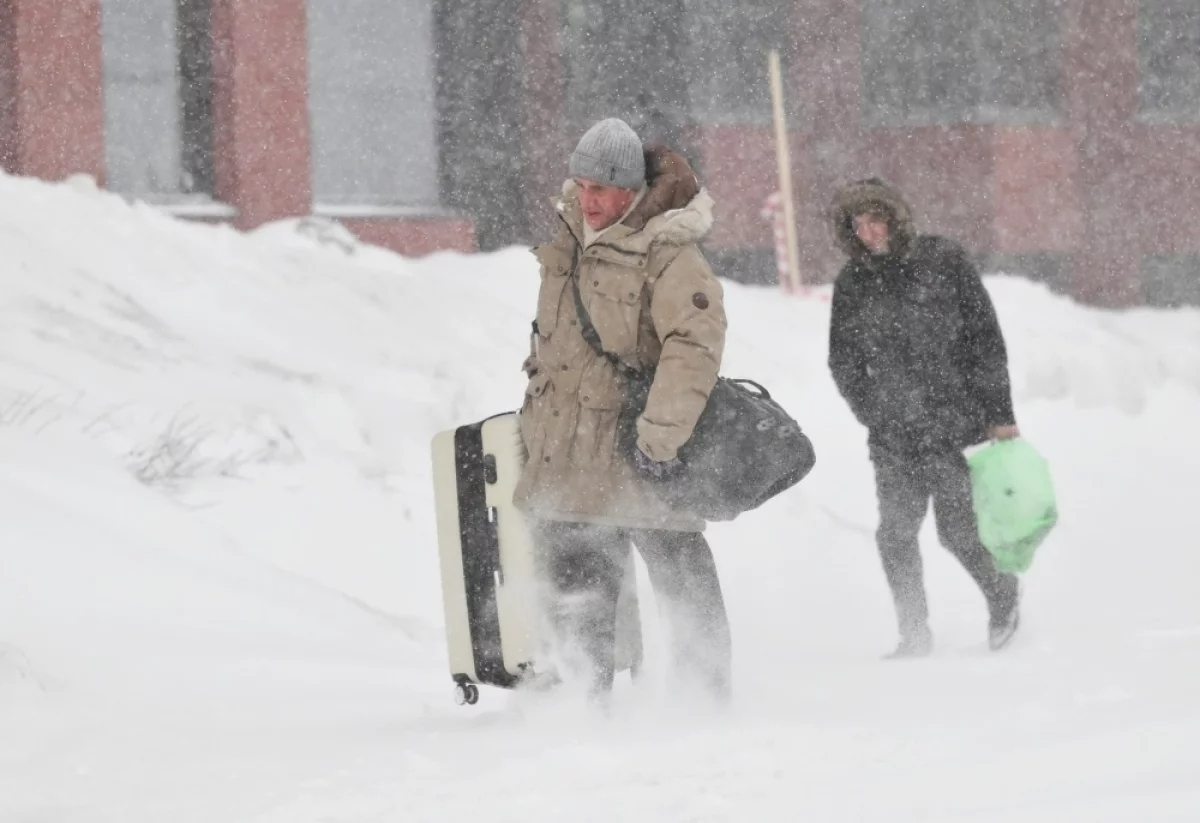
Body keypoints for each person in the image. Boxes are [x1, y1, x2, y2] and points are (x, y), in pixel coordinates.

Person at [512, 117, 731, 702]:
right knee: (576, 590)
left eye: (602, 190)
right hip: (567, 455)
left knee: (681, 577)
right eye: (581, 186)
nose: (589, 201)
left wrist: (660, 438)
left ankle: (705, 706)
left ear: (632, 189)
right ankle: (583, 712)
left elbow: (695, 346)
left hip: (638, 451)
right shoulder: (568, 242)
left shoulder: (668, 253)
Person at [826, 177, 1021, 658]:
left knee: (957, 533)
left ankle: (1003, 595)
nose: (870, 233)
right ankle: (913, 633)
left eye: (877, 221)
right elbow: (843, 359)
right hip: (893, 434)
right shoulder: (853, 283)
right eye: (859, 225)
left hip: (952, 426)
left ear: (895, 219)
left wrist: (999, 414)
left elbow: (985, 340)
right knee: (895, 535)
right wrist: (872, 412)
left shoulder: (943, 261)